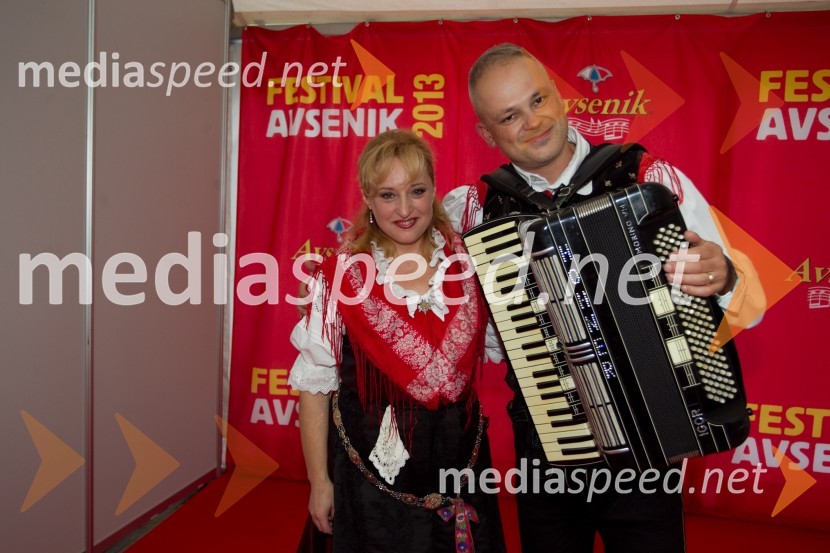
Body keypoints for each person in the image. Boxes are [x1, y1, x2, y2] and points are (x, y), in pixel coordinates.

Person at [443, 43, 758, 553]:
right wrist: (332, 287)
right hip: (546, 447)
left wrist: (724, 275)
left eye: (538, 100)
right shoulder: (475, 212)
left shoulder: (649, 178)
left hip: (650, 445)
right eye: (509, 116)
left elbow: (747, 295)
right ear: (487, 133)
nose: (533, 121)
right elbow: (407, 273)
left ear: (560, 96)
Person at [288, 129, 507, 553]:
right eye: (388, 195)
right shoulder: (339, 277)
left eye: (417, 191)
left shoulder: (472, 264)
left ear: (434, 192)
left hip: (462, 476)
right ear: (368, 200)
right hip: (371, 491)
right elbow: (315, 388)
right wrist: (319, 483)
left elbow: (506, 345)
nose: (405, 209)